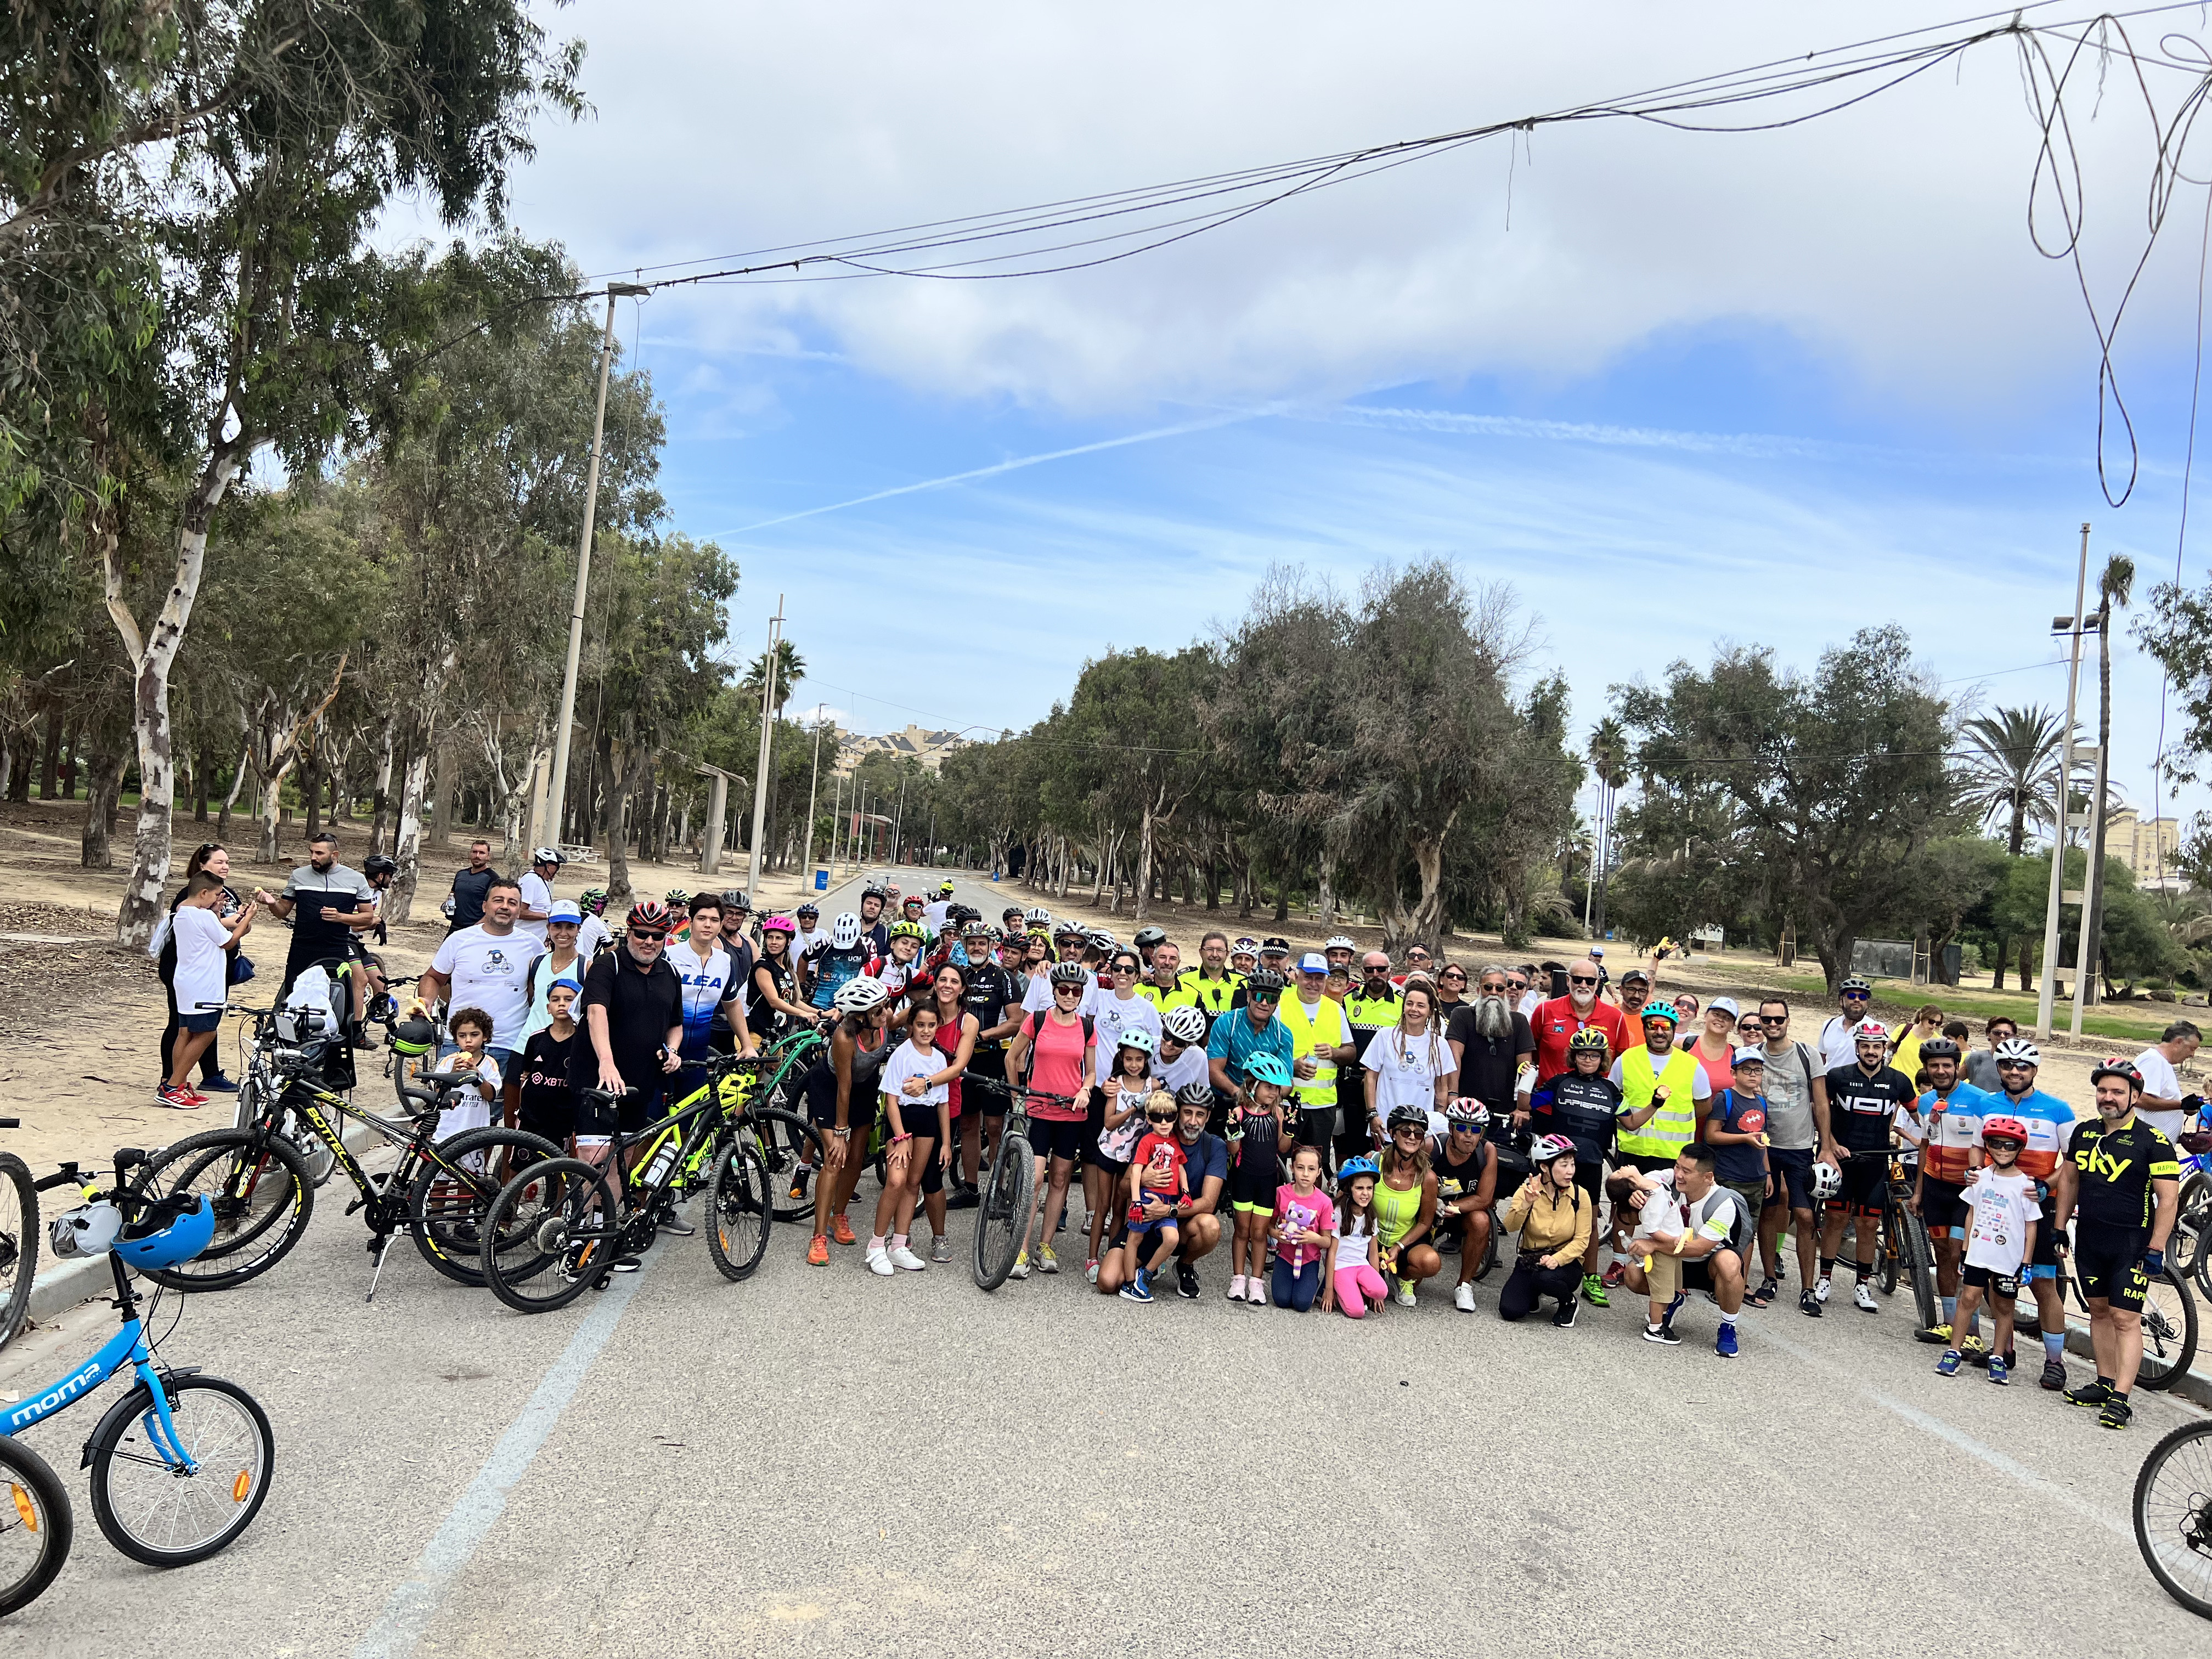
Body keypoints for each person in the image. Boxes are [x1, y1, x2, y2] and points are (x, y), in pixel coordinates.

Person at [2053, 1058, 2183, 1429]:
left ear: (2135, 1097)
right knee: (2098, 1311)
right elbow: (2071, 1182)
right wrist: (2060, 1226)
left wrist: (2156, 1247)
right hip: (2091, 1238)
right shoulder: (2084, 1133)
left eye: (2117, 1092)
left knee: (2126, 1318)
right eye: (2103, 1090)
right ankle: (2105, 1381)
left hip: (2132, 1242)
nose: (2108, 1098)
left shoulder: (2154, 1142)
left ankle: (2122, 1398)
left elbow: (2168, 1201)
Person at [574, 901, 684, 1228]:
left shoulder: (670, 972)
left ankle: (603, 1235)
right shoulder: (609, 965)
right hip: (597, 1077)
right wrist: (606, 1062)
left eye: (657, 935)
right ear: (628, 931)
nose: (649, 942)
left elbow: (675, 1023)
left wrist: (673, 1050)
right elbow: (596, 1013)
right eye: (641, 934)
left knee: (622, 1158)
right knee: (593, 1159)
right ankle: (581, 1236)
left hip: (640, 1080)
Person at [1003, 961, 1098, 1279]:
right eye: (1064, 990)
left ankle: (1045, 1245)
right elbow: (1011, 1057)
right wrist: (1018, 1096)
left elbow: (1092, 1071)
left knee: (1060, 1180)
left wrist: (1086, 1089)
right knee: (1036, 1179)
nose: (1070, 995)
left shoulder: (1087, 1027)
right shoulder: (1037, 1020)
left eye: (1076, 991)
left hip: (1072, 1113)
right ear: (1054, 991)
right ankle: (1022, 1247)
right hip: (1040, 1111)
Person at [1605, 1005, 1710, 1284]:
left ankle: (1669, 1267)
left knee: (1672, 1212)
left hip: (1673, 1157)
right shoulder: (1626, 1060)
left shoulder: (1691, 1065)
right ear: (1645, 1029)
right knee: (1625, 1208)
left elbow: (1703, 1105)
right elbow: (1613, 1097)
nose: (1659, 1032)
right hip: (1634, 1150)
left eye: (1665, 1027)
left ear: (1675, 1029)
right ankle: (1619, 1261)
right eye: (1653, 1026)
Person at [1817, 1018, 1916, 1314]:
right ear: (1857, 1047)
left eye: (1877, 1046)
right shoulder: (1837, 1076)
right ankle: (1824, 1279)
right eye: (1865, 1046)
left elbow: (1921, 1114)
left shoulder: (1899, 1081)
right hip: (1841, 1160)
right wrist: (1830, 1143)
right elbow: (1819, 1112)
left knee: (1868, 1224)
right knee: (1835, 1219)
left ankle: (1862, 1285)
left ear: (1885, 1048)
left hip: (1876, 1162)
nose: (1871, 1052)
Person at [1095, 1082, 1228, 1301]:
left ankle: (1184, 1265)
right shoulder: (1156, 1134)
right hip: (1145, 1220)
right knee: (1108, 1282)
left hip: (1180, 1223)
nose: (1193, 1121)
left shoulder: (1215, 1146)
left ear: (1208, 1116)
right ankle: (1145, 1270)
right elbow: (1122, 1189)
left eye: (1200, 1115)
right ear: (1177, 1113)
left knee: (1210, 1226)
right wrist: (1144, 1178)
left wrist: (1167, 1211)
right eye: (1187, 1113)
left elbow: (1208, 1204)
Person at [1620, 1144, 1754, 1357]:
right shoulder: (1666, 1181)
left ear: (1708, 1177)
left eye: (1687, 1171)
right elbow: (1632, 1211)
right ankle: (1673, 1297)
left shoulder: (1723, 1203)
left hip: (1707, 1262)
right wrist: (1632, 1199)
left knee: (1729, 1263)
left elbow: (1699, 1248)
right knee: (1633, 1275)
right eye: (1677, 1167)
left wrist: (1653, 1245)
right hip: (1673, 1261)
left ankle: (1728, 1327)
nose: (1679, 1175)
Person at [1935, 1115, 2038, 1386]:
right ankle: (1953, 1352)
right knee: (1968, 1300)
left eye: (2010, 1145)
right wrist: (1966, 1251)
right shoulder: (1978, 1178)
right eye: (1996, 1144)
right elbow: (1971, 1213)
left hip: (2008, 1259)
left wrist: (2026, 1263)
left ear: (2020, 1149)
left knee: (2003, 1307)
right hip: (1979, 1253)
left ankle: (1998, 1357)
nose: (2003, 1150)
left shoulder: (2026, 1185)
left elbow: (2031, 1226)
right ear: (1987, 1146)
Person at [1525, 1027, 1624, 1306]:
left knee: (1590, 1224)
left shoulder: (1610, 1090)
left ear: (1603, 1059)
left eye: (1594, 1055)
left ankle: (1591, 1279)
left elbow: (1631, 1122)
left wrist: (1656, 1103)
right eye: (1582, 1055)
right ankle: (1533, 1267)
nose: (1588, 1060)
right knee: (1545, 1214)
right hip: (1558, 1162)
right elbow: (1528, 1103)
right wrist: (1526, 1079)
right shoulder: (1559, 1083)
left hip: (1591, 1163)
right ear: (1573, 1056)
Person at [1752, 997, 1836, 1315]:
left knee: (1805, 1216)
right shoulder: (1754, 1056)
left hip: (1800, 1147)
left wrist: (1825, 1147)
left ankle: (1808, 1289)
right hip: (1764, 1147)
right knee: (1769, 1214)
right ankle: (1770, 1277)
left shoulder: (1806, 1055)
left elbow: (1821, 1103)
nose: (1773, 1025)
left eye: (1779, 1019)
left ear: (1788, 1021)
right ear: (1760, 1022)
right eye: (1767, 1020)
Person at [804, 977, 894, 1265]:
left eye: (886, 1006)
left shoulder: (883, 1020)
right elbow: (844, 1088)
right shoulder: (844, 1038)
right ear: (860, 1016)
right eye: (879, 1010)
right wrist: (840, 1133)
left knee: (856, 1159)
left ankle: (837, 1216)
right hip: (831, 1089)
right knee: (835, 1160)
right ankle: (817, 1237)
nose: (886, 1013)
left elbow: (915, 1015)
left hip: (864, 1087)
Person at [1909, 1036, 1993, 1349]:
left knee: (1960, 1255)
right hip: (1935, 1186)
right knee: (1943, 1253)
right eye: (1935, 1066)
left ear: (1957, 1067)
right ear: (1926, 1069)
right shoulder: (1927, 1101)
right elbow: (1925, 1145)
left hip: (1967, 1190)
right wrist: (1918, 1191)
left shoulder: (1981, 1099)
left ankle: (1972, 1332)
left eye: (1947, 1065)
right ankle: (1948, 1323)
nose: (1941, 1071)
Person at [154, 842, 251, 1095]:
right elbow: (227, 939)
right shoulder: (194, 904)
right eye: (219, 862)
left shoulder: (190, 908)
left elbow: (213, 926)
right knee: (201, 1030)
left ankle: (182, 1081)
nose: (225, 866)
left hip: (191, 976)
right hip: (201, 979)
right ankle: (174, 1082)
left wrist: (219, 915)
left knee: (187, 1030)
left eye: (227, 862)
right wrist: (246, 917)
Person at [867, 1002, 955, 1277]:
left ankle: (898, 1244)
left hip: (929, 1122)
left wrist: (946, 1142)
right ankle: (876, 1245)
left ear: (937, 1026)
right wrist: (901, 1136)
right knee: (895, 1181)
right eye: (920, 1025)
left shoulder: (940, 1060)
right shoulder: (901, 1055)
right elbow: (891, 1098)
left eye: (931, 1025)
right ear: (911, 1026)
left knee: (914, 1183)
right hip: (902, 1120)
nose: (926, 1030)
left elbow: (943, 1104)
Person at [253, 831, 376, 1005]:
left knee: (334, 1003)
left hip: (336, 951)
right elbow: (282, 912)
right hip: (301, 950)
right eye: (311, 852)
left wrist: (340, 917)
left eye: (319, 853)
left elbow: (368, 918)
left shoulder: (355, 879)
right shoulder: (299, 876)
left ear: (335, 855)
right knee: (294, 1004)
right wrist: (272, 903)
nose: (313, 857)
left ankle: (350, 1030)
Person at [951, 922, 1023, 1204]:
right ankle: (970, 1188)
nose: (977, 948)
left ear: (991, 946)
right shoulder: (960, 976)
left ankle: (997, 1188)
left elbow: (1017, 1021)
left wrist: (983, 1035)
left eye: (982, 943)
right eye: (972, 943)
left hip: (993, 1058)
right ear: (965, 946)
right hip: (964, 1061)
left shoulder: (1004, 977)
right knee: (968, 1125)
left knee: (994, 1126)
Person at [1086, 1030, 1159, 1279]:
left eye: (1139, 1060)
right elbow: (1108, 1122)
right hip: (1110, 1151)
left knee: (1121, 1208)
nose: (1134, 1065)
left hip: (1134, 1156)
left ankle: (1111, 1256)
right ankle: (1092, 1258)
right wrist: (1133, 1108)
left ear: (1147, 1060)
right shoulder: (1115, 1084)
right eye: (1129, 1059)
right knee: (1102, 1206)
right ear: (1122, 1058)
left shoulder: (1153, 1085)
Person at [1497, 1135, 1593, 1327]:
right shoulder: (1528, 1189)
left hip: (1566, 1263)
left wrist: (1557, 1259)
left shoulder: (1580, 1196)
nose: (1570, 1171)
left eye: (1572, 1164)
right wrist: (1526, 1204)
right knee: (1510, 1310)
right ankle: (1533, 1292)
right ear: (1544, 1167)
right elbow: (1510, 1226)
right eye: (1564, 1165)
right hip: (1531, 1258)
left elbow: (1582, 1241)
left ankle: (1568, 1302)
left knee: (1545, 1278)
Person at [1224, 1052, 1296, 1304]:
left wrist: (1289, 1127)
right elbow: (1233, 1152)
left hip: (1268, 1181)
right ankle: (1238, 1280)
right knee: (1242, 1230)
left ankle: (1256, 1283)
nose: (1274, 1092)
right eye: (1268, 1087)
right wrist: (1232, 1134)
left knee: (1260, 1232)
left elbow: (1283, 1148)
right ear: (1252, 1085)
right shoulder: (1239, 1113)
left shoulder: (1277, 1114)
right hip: (1244, 1179)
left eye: (1277, 1087)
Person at [667, 893, 754, 1092]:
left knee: (690, 1116)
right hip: (664, 1048)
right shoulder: (669, 956)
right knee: (657, 1116)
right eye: (701, 919)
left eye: (714, 920)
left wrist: (747, 1045)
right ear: (690, 922)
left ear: (721, 924)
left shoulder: (725, 961)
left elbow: (732, 1004)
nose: (708, 925)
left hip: (699, 1050)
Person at [1116, 1092, 1192, 1304]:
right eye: (1158, 1118)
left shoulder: (1175, 1141)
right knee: (1135, 1238)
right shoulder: (1147, 1140)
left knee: (1172, 1239)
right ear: (1149, 1119)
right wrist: (1136, 1201)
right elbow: (1137, 1172)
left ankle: (1146, 1274)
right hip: (1146, 1197)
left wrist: (1185, 1192)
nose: (1164, 1122)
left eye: (1169, 1117)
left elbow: (1181, 1168)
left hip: (1168, 1202)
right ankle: (1130, 1283)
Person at [1362, 979, 1452, 1145]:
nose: (1414, 1009)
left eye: (1421, 1005)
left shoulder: (1440, 1045)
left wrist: (1438, 1120)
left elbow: (1441, 1088)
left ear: (1430, 1012)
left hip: (1419, 1132)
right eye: (1409, 1004)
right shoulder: (1385, 1036)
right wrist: (1373, 1115)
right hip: (1386, 1128)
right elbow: (1371, 1077)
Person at [1445, 966, 1536, 1127]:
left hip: (1504, 1111)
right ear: (1479, 991)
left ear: (1505, 991)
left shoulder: (1520, 1022)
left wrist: (1522, 1108)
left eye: (1500, 988)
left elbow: (1526, 1069)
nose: (1494, 992)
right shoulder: (1462, 1015)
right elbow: (1454, 1059)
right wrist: (1453, 1094)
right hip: (1465, 1107)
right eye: (1488, 987)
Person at [1431, 1098, 1498, 1313]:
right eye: (1462, 1127)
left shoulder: (1487, 1152)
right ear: (1451, 1128)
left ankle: (1464, 1286)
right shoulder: (1433, 1146)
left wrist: (1452, 1207)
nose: (1468, 1135)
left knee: (1482, 1220)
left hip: (1461, 1212)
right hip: (1429, 1210)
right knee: (1418, 1273)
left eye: (1475, 1129)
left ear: (1482, 1133)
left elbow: (1484, 1198)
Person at [1207, 968, 1296, 1128]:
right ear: (1249, 996)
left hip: (1265, 1107)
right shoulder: (1227, 1023)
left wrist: (1266, 1099)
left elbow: (1287, 1081)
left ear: (1277, 1002)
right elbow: (1214, 1071)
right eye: (1259, 996)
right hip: (1228, 1101)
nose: (1264, 1003)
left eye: (1271, 999)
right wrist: (1239, 1094)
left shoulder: (1283, 1034)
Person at [1374, 1102, 1442, 1306]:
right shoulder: (1374, 1161)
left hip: (1404, 1242)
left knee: (1431, 1263)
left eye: (1419, 1134)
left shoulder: (1428, 1177)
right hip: (1371, 1239)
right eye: (1406, 1131)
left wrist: (1398, 1247)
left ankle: (1403, 1278)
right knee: (1367, 1292)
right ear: (1393, 1133)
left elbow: (1424, 1222)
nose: (1412, 1137)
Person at [1703, 1048, 1773, 1248]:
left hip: (1756, 1179)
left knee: (1749, 1233)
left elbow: (1763, 1139)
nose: (1753, 1074)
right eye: (1747, 1069)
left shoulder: (1761, 1102)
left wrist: (1767, 1173)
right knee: (1722, 1232)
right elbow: (1712, 1135)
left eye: (1758, 1070)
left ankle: (1741, 1279)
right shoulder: (1725, 1098)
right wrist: (1744, 1138)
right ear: (1734, 1073)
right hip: (1729, 1176)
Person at [1338, 953, 1401, 1165]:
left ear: (1390, 972)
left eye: (1381, 969)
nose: (1376, 974)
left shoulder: (1401, 1004)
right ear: (1362, 972)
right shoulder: (1348, 1001)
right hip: (1353, 1084)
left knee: (1385, 1145)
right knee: (1352, 1145)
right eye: (1370, 970)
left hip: (1385, 1085)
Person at [1528, 956, 1630, 1082]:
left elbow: (1621, 1063)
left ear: (1598, 983)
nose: (1583, 985)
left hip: (1596, 1098)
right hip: (1551, 1098)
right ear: (1568, 980)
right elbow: (1532, 1052)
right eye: (1577, 980)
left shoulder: (1616, 1017)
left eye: (1590, 981)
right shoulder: (1545, 1011)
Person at [1268, 1146, 1336, 1312]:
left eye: (1311, 1169)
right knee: (1282, 1300)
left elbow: (1328, 1241)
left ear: (1319, 1172)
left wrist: (1314, 1238)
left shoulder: (1325, 1202)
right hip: (1285, 1256)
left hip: (1309, 1261)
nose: (1306, 1174)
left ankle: (1314, 1285)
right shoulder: (1281, 1193)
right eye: (1300, 1168)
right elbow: (1268, 1226)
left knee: (1302, 1304)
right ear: (1292, 1168)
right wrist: (1277, 1234)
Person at [1323, 1156, 1389, 1318]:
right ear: (1348, 1189)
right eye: (1359, 1188)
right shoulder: (1337, 1213)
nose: (1365, 1193)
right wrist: (1329, 1289)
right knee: (1357, 1312)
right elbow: (1331, 1254)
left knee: (1382, 1290)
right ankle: (1344, 1291)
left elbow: (1373, 1253)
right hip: (1341, 1267)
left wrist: (1376, 1295)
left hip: (1361, 1265)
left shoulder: (1371, 1215)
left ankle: (1357, 1289)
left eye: (1370, 1188)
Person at [517, 902, 590, 1048]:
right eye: (557, 926)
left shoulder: (586, 967)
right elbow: (533, 1001)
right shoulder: (537, 963)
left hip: (564, 1047)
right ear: (548, 928)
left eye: (570, 927)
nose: (563, 933)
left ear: (578, 929)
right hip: (527, 1044)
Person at [430, 1005, 501, 1141]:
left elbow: (491, 1096)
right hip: (446, 1131)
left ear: (485, 1037)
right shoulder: (449, 1061)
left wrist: (477, 1076)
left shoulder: (489, 1064)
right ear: (456, 1039)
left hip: (475, 1133)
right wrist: (452, 1075)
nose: (468, 1040)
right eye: (462, 1036)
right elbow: (438, 1092)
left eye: (474, 1035)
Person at [1091, 949, 1164, 1082]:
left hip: (1127, 1084)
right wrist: (1044, 966)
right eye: (1117, 968)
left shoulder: (1147, 1008)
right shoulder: (1098, 996)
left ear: (1136, 977)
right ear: (1112, 973)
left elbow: (1158, 1046)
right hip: (1096, 1082)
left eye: (1129, 970)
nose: (1122, 973)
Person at [744, 916, 815, 1048]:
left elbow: (794, 1001)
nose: (773, 942)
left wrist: (819, 1013)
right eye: (770, 937)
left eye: (779, 938)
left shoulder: (786, 968)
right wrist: (803, 1014)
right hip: (757, 1034)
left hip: (775, 1036)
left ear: (788, 942)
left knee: (776, 1069)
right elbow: (774, 1001)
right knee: (752, 1069)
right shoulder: (763, 967)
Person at [2132, 1020, 2203, 1141]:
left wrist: (2186, 1107)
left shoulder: (2162, 1062)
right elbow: (2139, 1099)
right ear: (2178, 1042)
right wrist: (2181, 1105)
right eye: (2192, 1048)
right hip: (2145, 1143)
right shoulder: (2153, 1061)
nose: (2193, 1054)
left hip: (2155, 1145)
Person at [799, 911, 872, 1016]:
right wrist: (802, 984)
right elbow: (803, 957)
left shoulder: (868, 945)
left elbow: (873, 972)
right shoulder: (824, 943)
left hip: (851, 1002)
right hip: (821, 1001)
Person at [1818, 976, 1879, 1069]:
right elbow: (1821, 1059)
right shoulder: (1828, 1025)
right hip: (1829, 1081)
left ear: (1867, 1004)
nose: (1857, 1000)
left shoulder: (1875, 1028)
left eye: (1862, 997)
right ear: (1841, 1001)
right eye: (1851, 996)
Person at [1684, 997, 1739, 1093]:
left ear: (1733, 1026)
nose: (1720, 1019)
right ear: (1706, 1015)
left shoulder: (1737, 1055)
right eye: (1716, 1014)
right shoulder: (1684, 1045)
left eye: (1727, 1018)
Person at [447, 839, 497, 933]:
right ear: (470, 854)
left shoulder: (493, 878)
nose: (477, 856)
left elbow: (495, 907)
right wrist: (448, 905)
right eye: (474, 852)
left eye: (482, 853)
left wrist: (476, 928)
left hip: (476, 930)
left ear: (488, 856)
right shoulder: (461, 874)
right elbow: (452, 894)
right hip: (455, 928)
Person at [517, 848, 563, 945]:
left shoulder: (540, 880)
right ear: (549, 866)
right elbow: (520, 912)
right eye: (557, 867)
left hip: (535, 942)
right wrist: (547, 916)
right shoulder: (531, 880)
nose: (557, 871)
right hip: (523, 942)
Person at [1890, 1002, 1944, 1084]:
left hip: (1917, 1090)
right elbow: (1883, 1047)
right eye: (1931, 1021)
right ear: (1921, 1016)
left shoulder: (1938, 1042)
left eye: (1938, 1023)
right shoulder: (1903, 1030)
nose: (1934, 1026)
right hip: (1893, 1083)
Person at [1963, 1015, 2018, 1094]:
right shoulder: (1975, 1058)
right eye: (1997, 1033)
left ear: (2014, 1037)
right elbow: (1955, 1083)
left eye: (2007, 1034)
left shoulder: (2021, 1063)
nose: (2002, 1036)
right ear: (1989, 1034)